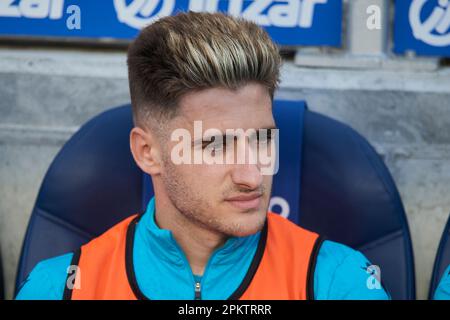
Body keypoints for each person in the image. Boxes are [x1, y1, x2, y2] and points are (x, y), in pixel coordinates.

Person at [16, 11, 389, 300]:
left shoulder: (337, 281)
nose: (252, 176)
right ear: (148, 153)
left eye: (262, 140)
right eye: (216, 145)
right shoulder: (62, 287)